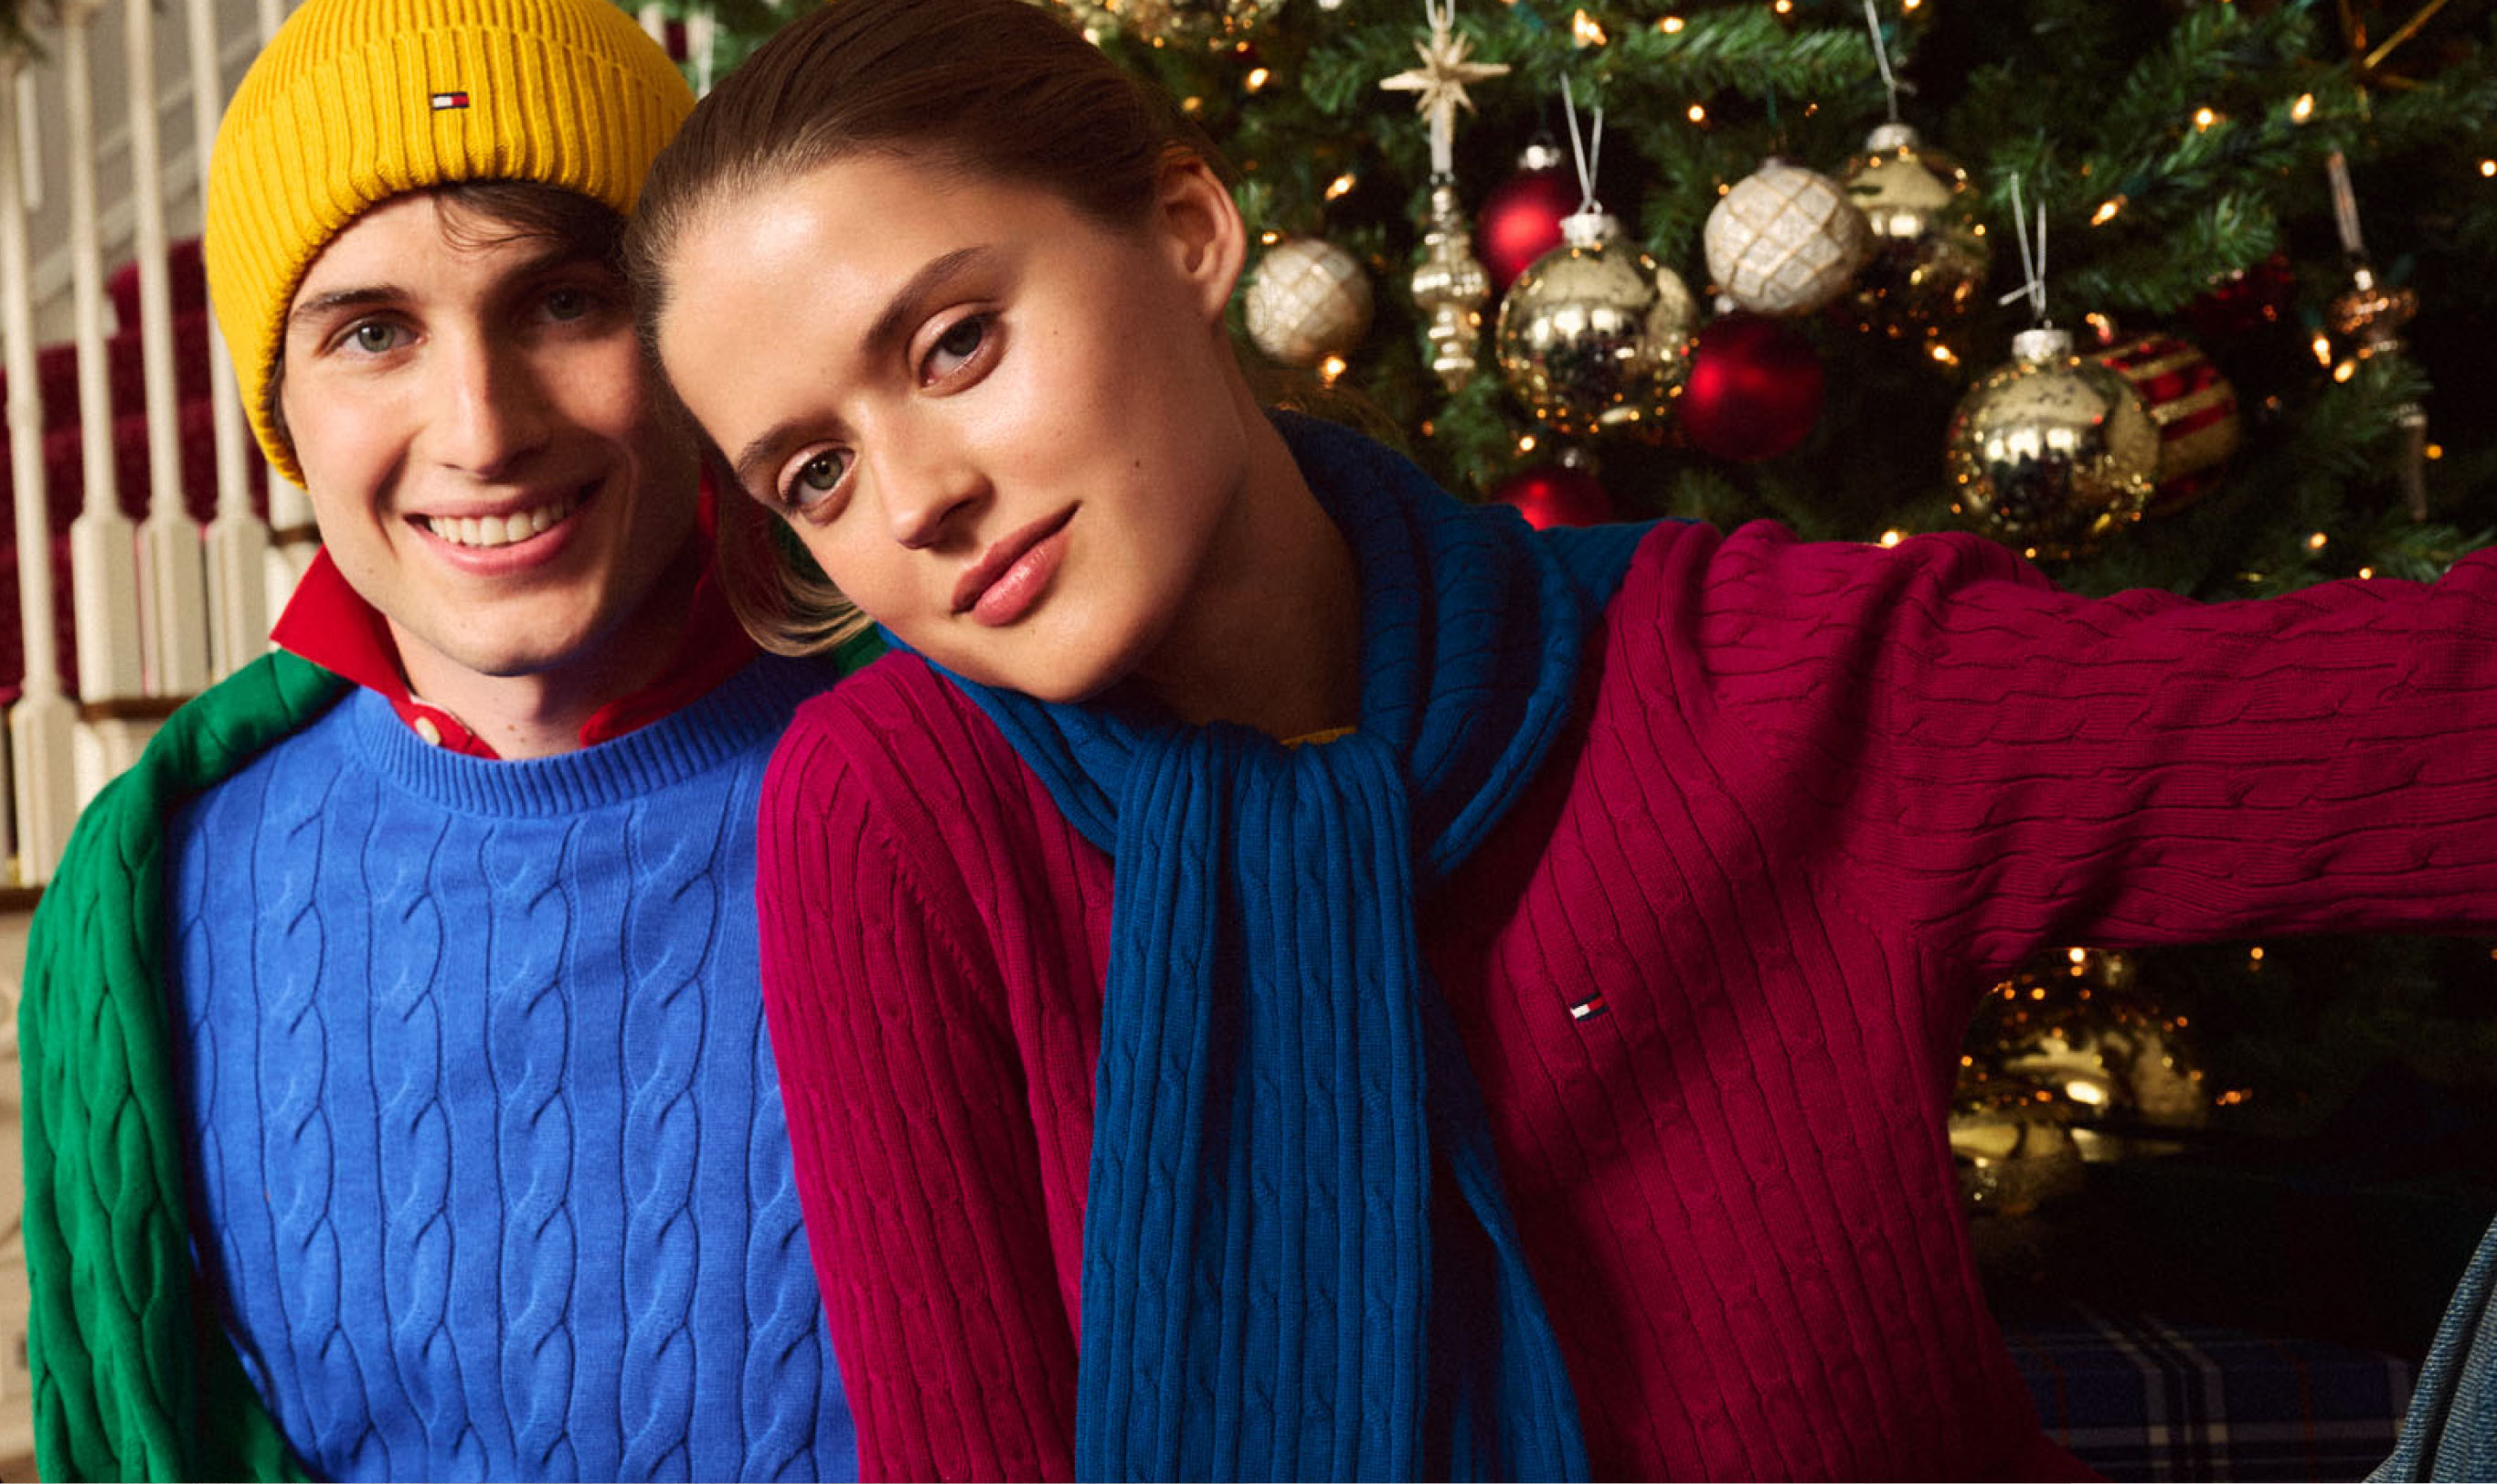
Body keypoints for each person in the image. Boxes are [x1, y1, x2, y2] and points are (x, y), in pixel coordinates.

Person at [628, 0, 2497, 1477]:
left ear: (1186, 233)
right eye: (817, 469)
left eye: (954, 343)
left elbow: (2435, 717)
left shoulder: (1752, 681)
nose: (925, 497)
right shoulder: (889, 810)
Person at [16, 0, 877, 1475]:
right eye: (371, 332)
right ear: (280, 406)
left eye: (564, 302)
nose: (481, 427)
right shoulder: (154, 888)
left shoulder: (955, 765)